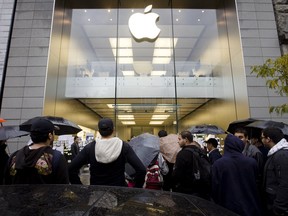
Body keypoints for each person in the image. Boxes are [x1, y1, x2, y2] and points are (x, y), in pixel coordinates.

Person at [68, 118, 146, 187]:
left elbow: (71, 169)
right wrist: (135, 189)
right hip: (119, 193)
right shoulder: (124, 146)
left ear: (99, 131)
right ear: (113, 130)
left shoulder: (90, 148)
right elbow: (141, 170)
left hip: (96, 194)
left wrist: (81, 190)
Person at [4, 117, 69, 184]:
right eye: (53, 132)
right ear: (50, 135)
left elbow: (6, 183)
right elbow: (63, 187)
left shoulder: (14, 156)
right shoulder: (56, 157)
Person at [211, 134, 261, 216]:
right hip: (250, 206)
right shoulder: (251, 162)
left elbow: (215, 187)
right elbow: (257, 183)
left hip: (226, 206)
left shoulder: (218, 164)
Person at [172, 130, 210, 199]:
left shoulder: (182, 154)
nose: (178, 141)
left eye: (180, 139)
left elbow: (177, 174)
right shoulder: (201, 151)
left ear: (186, 140)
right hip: (202, 190)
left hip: (187, 191)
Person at [261, 127, 288, 216]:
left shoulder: (281, 155)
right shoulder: (276, 153)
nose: (262, 140)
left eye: (262, 138)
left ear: (268, 139)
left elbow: (285, 183)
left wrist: (279, 207)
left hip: (278, 206)